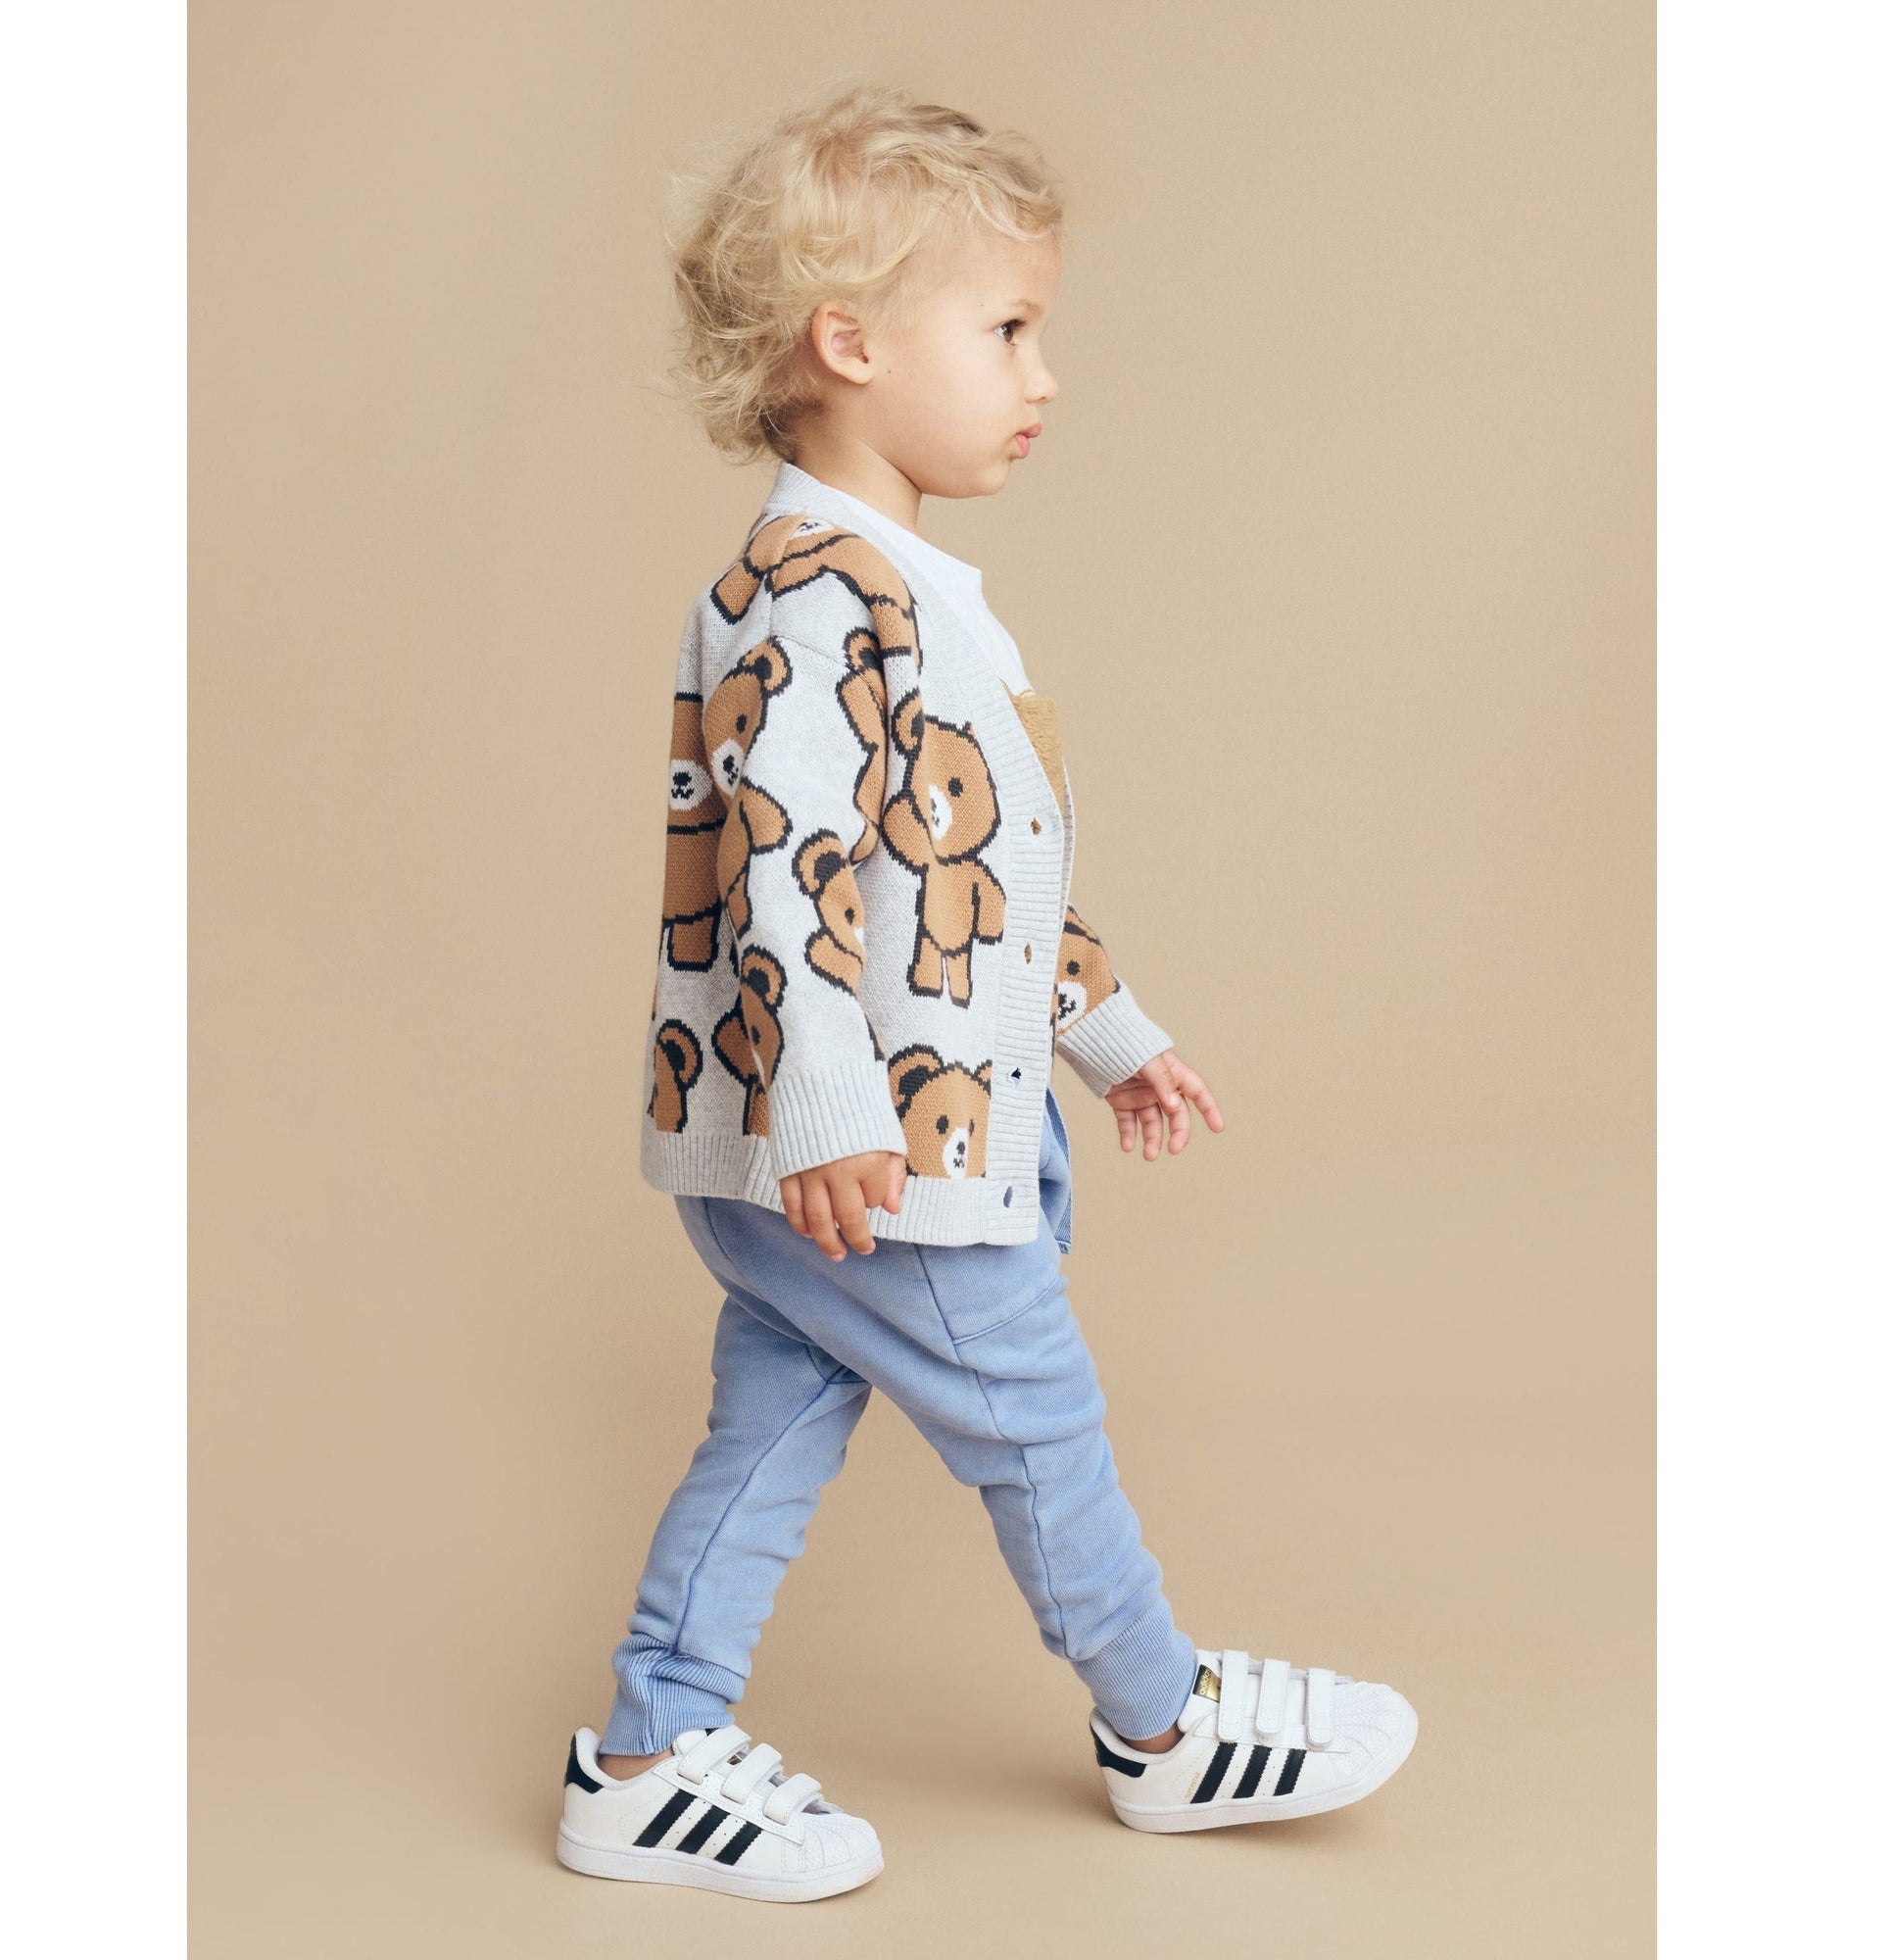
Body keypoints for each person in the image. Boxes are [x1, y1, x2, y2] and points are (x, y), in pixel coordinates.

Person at [556, 79, 1417, 1904]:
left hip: (860, 1144)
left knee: (774, 1424)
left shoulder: (899, 586)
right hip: (877, 1156)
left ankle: (645, 1751)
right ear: (849, 342)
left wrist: (1111, 1037)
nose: (1045, 377)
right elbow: (788, 878)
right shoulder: (816, 599)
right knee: (1040, 1424)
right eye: (1008, 330)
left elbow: (971, 887)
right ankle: (1164, 1726)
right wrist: (828, 1109)